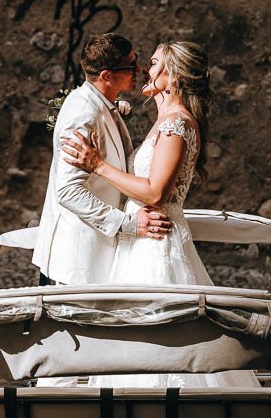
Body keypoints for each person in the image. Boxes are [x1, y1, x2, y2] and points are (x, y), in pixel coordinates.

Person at [60, 40, 215, 287]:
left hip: (154, 240)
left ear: (174, 76)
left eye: (153, 64)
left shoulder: (176, 124)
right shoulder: (166, 121)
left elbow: (155, 193)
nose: (144, 69)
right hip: (139, 237)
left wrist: (98, 165)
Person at [32, 32, 171, 286]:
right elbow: (68, 191)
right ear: (107, 76)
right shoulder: (83, 114)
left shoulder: (103, 104)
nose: (138, 70)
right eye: (130, 66)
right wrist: (128, 223)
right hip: (80, 255)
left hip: (99, 251)